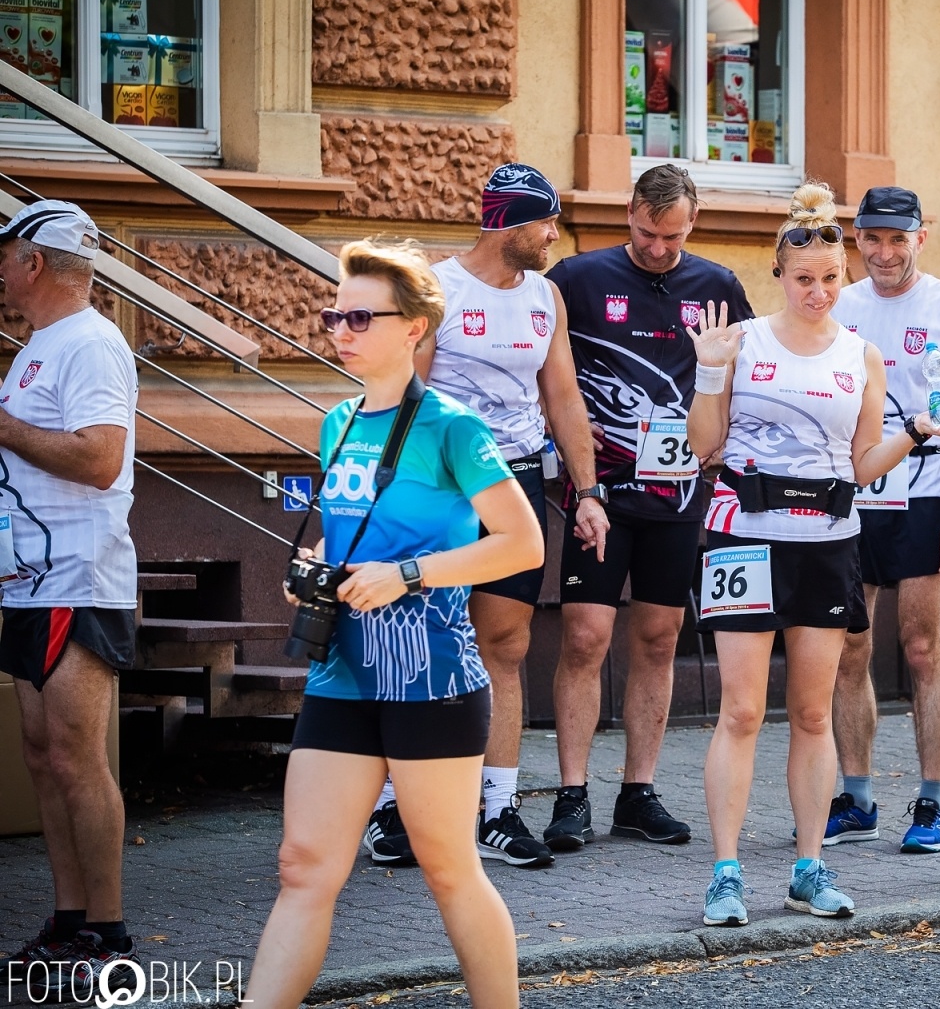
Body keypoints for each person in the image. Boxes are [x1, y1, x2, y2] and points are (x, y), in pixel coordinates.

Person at [244, 240, 541, 1009]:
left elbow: (521, 543)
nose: (339, 328)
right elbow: (356, 531)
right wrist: (321, 566)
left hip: (429, 677)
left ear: (413, 328)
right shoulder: (338, 419)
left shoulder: (451, 426)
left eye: (358, 316)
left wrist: (408, 573)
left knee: (449, 870)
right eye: (333, 314)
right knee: (303, 866)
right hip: (340, 670)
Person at [685, 182, 940, 926]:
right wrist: (710, 372)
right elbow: (704, 447)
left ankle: (810, 867)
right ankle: (726, 873)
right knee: (741, 712)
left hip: (830, 540)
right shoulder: (742, 342)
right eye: (804, 278)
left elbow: (862, 461)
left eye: (831, 279)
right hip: (744, 533)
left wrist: (919, 434)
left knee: (812, 713)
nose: (819, 291)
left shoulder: (863, 355)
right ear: (779, 273)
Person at [359, 164, 610, 871]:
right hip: (444, 483)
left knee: (505, 643)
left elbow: (563, 399)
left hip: (520, 480)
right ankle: (393, 807)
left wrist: (587, 492)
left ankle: (495, 808)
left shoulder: (547, 296)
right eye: (545, 222)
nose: (554, 234)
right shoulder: (439, 290)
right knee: (420, 638)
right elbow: (408, 395)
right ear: (507, 224)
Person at [541, 164, 754, 849]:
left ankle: (638, 792)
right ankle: (571, 795)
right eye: (645, 231)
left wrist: (724, 442)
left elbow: (742, 380)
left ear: (693, 222)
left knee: (659, 639)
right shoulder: (577, 278)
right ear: (628, 211)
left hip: (681, 493)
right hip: (599, 492)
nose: (659, 247)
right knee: (583, 638)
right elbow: (547, 379)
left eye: (672, 235)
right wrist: (564, 434)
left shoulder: (718, 286)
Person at [0, 201, 140, 998]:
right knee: (41, 755)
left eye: (8, 253)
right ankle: (67, 918)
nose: (0, 268)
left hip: (78, 579)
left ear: (37, 263)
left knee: (75, 757)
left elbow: (97, 459)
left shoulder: (88, 341)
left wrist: (3, 428)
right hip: (31, 579)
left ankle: (107, 930)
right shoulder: (42, 344)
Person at [824, 186, 940, 853]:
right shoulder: (838, 301)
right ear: (856, 238)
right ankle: (856, 797)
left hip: (925, 493)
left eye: (898, 238)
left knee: (922, 648)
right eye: (873, 237)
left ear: (922, 237)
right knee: (847, 651)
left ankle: (931, 802)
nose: (885, 251)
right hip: (853, 494)